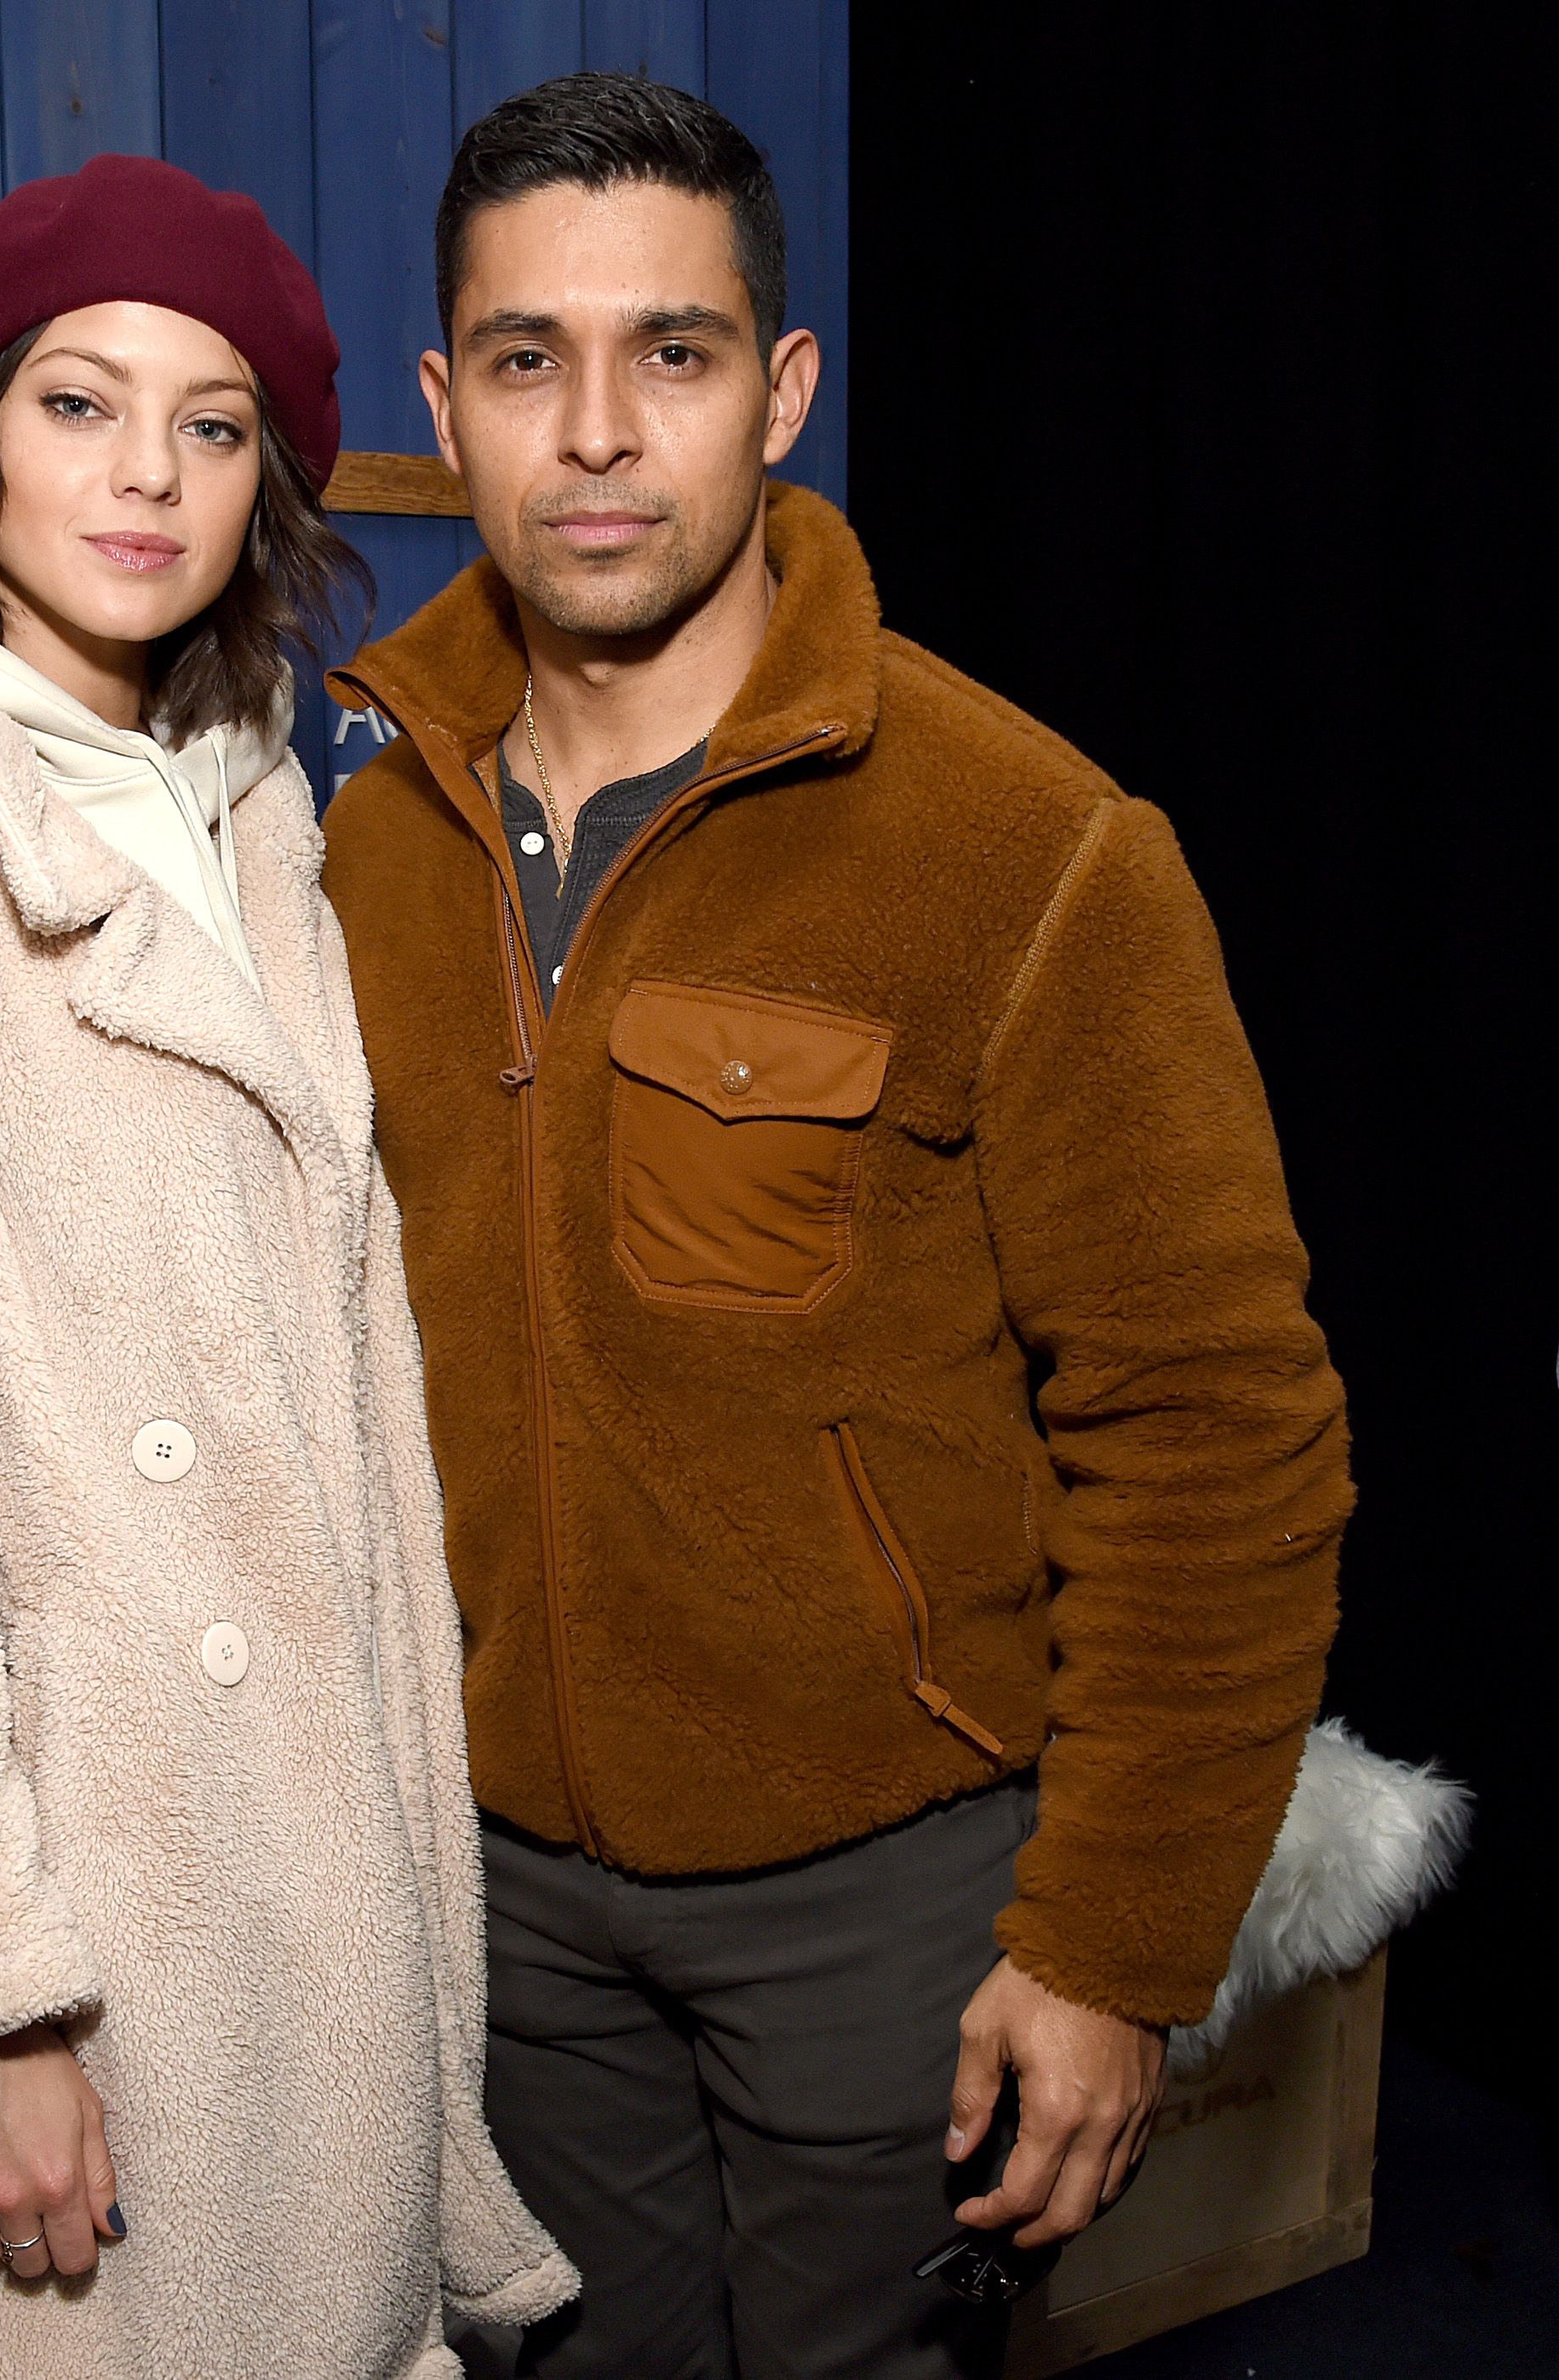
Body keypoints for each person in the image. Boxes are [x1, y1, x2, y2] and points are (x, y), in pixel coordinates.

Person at [319, 74, 1352, 2380]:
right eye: (525, 360)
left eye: (671, 354)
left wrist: (1112, 1939)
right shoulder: (354, 852)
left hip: (893, 1895)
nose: (595, 431)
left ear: (782, 390)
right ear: (443, 406)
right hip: (494, 1891)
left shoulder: (1031, 843)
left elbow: (1220, 1436)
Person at [0, 153, 576, 2379]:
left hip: (318, 1872)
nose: (149, 473)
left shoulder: (254, 812)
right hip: (93, 1889)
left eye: (216, 421)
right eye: (80, 401)